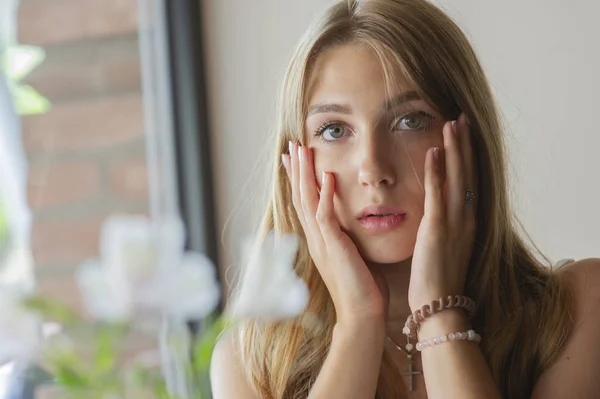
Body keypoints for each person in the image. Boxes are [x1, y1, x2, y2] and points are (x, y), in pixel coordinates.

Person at [210, 0, 600, 397]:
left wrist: (440, 312)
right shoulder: (248, 364)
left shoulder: (579, 310)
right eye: (333, 130)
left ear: (470, 140)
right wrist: (358, 323)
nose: (373, 169)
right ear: (294, 163)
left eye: (409, 121)